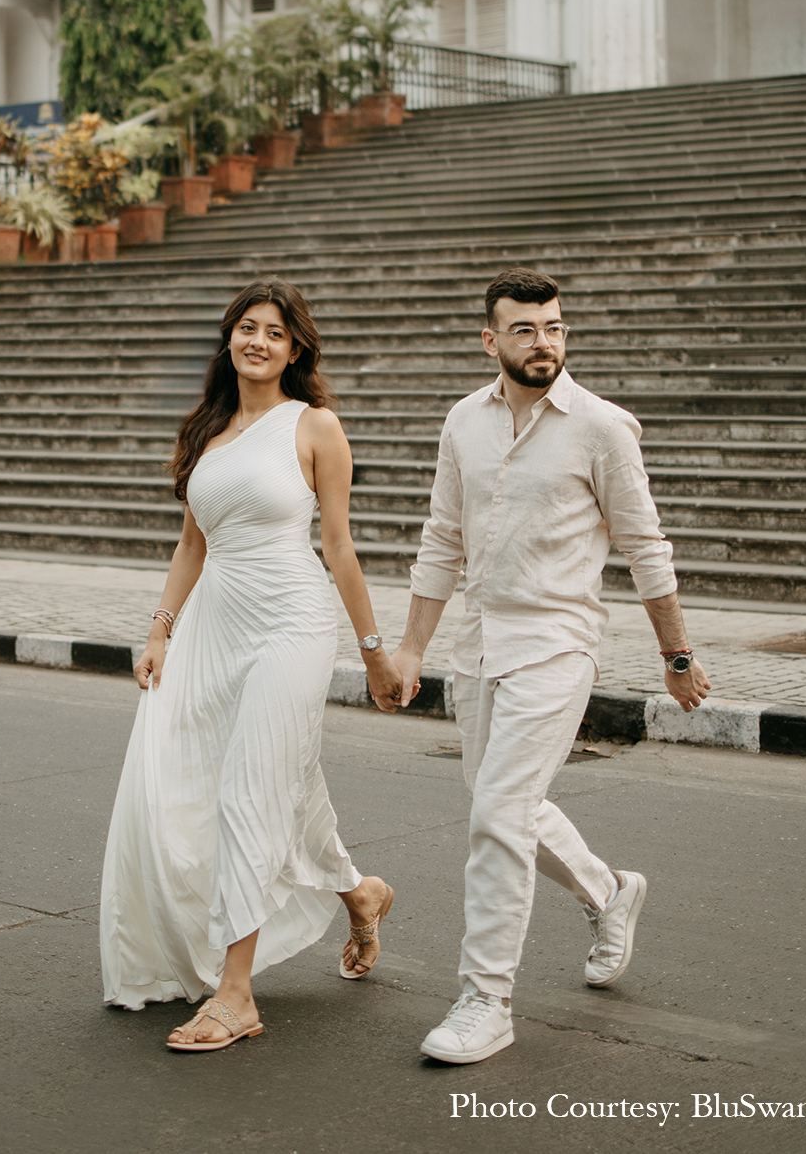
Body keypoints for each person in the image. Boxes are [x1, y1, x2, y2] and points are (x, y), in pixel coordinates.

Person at [389, 266, 711, 1066]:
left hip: (557, 645)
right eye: (527, 329)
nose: (545, 343)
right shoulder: (464, 421)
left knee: (497, 814)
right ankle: (609, 892)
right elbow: (442, 540)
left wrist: (677, 657)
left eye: (557, 327)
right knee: (507, 805)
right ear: (491, 339)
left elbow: (645, 549)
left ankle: (485, 1000)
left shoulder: (601, 428)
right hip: (480, 646)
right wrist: (411, 647)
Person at [100, 279, 402, 1050]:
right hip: (213, 627)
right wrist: (160, 629)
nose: (258, 340)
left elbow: (338, 547)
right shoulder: (207, 430)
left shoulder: (316, 427)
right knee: (266, 781)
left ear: (295, 348)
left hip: (291, 624)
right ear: (229, 338)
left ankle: (236, 995)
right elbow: (192, 542)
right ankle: (359, 893)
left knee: (250, 787)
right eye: (246, 327)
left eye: (275, 331)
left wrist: (374, 653)